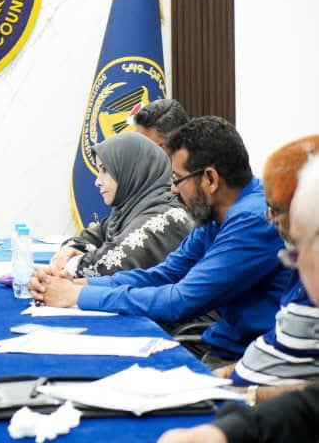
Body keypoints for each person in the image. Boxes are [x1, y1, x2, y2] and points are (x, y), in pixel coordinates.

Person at [30, 117, 291, 362]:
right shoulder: (216, 211)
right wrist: (79, 284)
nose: (173, 189)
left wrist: (78, 296)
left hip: (246, 359)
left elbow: (180, 300)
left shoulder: (252, 221)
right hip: (224, 345)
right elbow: (164, 274)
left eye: (177, 179)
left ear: (210, 179)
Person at [158, 154, 319, 443]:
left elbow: (180, 299)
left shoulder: (248, 221)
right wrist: (226, 431)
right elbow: (311, 403)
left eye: (296, 252)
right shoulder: (215, 219)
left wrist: (250, 395)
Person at [212, 136, 319, 398]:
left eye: (276, 210)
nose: (270, 220)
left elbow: (185, 297)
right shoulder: (299, 265)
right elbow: (278, 342)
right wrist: (229, 374)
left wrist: (247, 395)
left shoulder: (247, 222)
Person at [48, 132, 193, 277]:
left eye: (105, 170)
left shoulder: (166, 217)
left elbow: (108, 266)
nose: (97, 182)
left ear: (132, 169)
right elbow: (92, 236)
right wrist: (70, 250)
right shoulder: (129, 210)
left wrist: (71, 263)